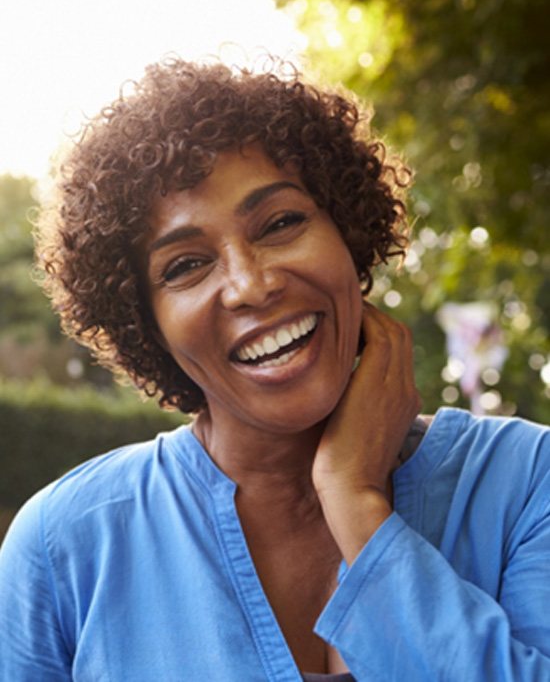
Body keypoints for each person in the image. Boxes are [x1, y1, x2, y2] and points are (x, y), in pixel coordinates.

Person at [0, 57, 549, 682]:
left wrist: (355, 500)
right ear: (145, 323)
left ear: (347, 231)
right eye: (184, 266)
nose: (250, 286)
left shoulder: (527, 482)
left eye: (281, 223)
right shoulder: (65, 546)